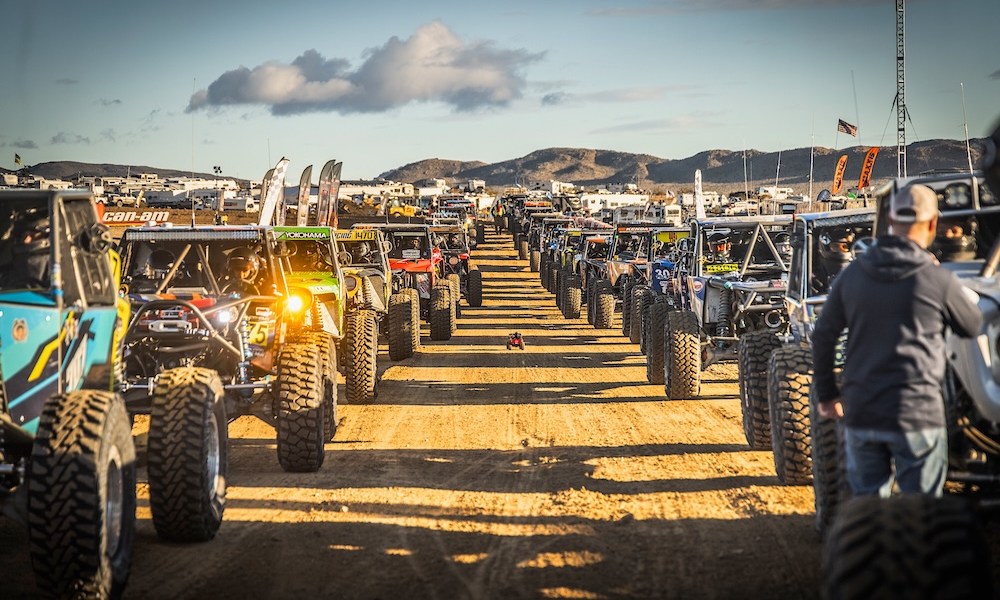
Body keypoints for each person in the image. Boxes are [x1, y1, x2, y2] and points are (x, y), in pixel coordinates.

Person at [811, 184, 982, 497]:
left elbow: (823, 335)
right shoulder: (937, 279)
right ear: (932, 224)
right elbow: (971, 326)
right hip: (917, 414)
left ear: (889, 219)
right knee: (923, 515)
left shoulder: (853, 275)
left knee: (869, 511)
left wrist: (826, 395)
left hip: (862, 411)